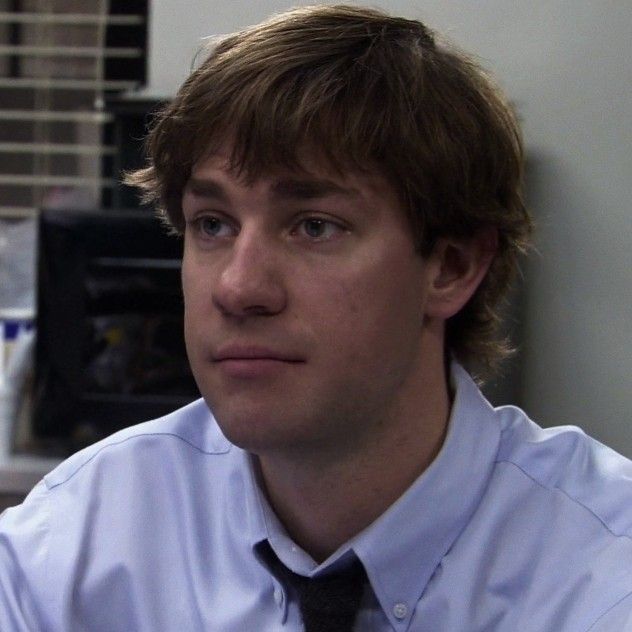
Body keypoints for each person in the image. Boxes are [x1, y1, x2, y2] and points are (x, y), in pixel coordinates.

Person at [2, 5, 632, 631]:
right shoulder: (77, 542)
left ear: (452, 267)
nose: (238, 287)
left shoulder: (600, 573)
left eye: (314, 226)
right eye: (212, 224)